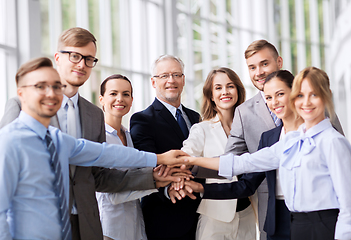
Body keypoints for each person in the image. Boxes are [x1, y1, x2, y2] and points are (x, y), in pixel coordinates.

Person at [0, 27, 182, 240]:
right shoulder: (21, 107)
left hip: (86, 225)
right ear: (57, 57)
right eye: (75, 56)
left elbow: (100, 173)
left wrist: (151, 176)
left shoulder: (93, 115)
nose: (82, 64)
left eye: (89, 59)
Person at [185, 66, 351, 240]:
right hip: (296, 222)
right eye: (301, 95)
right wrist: (192, 160)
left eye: (313, 95)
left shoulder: (333, 141)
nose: (305, 102)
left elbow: (347, 205)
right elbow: (245, 163)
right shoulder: (292, 141)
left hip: (324, 223)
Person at [186, 70, 301, 240]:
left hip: (257, 212)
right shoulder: (271, 138)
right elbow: (244, 169)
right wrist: (189, 164)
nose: (274, 102)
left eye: (280, 94)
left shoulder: (316, 134)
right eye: (268, 97)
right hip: (224, 214)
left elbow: (245, 164)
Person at [96, 74, 190, 240]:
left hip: (136, 227)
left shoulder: (130, 136)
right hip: (109, 229)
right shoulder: (98, 138)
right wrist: (156, 181)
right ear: (101, 99)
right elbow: (111, 194)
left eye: (126, 94)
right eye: (113, 94)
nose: (120, 99)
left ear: (132, 100)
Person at [130, 55, 201, 240]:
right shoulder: (142, 119)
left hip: (200, 216)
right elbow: (147, 165)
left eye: (176, 75)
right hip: (164, 217)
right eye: (164, 76)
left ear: (183, 80)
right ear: (153, 82)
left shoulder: (196, 118)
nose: (171, 80)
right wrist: (169, 188)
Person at [181, 67, 257, 240]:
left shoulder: (249, 128)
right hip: (215, 217)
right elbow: (186, 154)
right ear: (211, 95)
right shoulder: (202, 129)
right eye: (218, 88)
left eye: (230, 86)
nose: (225, 92)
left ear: (238, 90)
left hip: (247, 214)